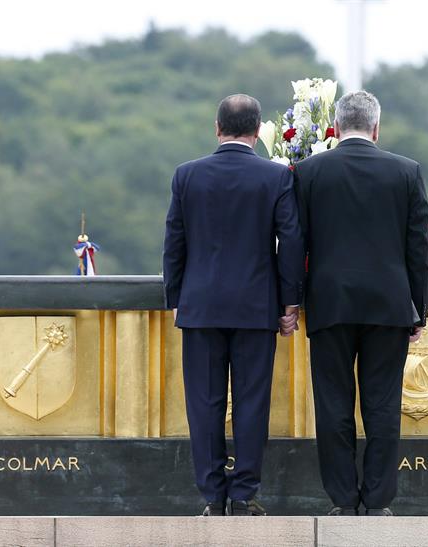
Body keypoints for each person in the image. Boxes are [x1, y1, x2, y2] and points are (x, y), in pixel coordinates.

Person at [164, 94, 303, 517]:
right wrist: (290, 301)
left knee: (204, 403)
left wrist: (176, 299)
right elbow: (291, 242)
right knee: (251, 401)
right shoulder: (275, 178)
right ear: (259, 131)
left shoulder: (186, 175)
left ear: (216, 127)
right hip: (256, 307)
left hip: (201, 306)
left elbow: (174, 242)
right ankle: (243, 495)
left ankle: (211, 495)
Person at [291, 90, 428, 516]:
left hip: (329, 303)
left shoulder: (309, 172)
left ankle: (343, 500)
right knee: (383, 405)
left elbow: (296, 244)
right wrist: (417, 309)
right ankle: (378, 500)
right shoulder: (406, 172)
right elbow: (416, 249)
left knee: (333, 404)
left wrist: (293, 300)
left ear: (334, 127)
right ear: (376, 127)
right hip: (388, 305)